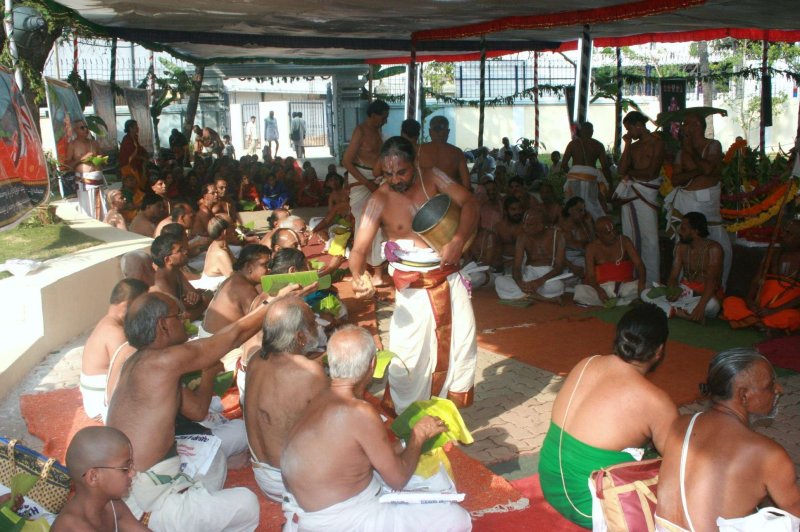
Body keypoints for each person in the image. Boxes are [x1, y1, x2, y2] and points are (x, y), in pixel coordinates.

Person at [281, 325, 472, 531]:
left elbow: (353, 456)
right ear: (372, 364)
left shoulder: (318, 397)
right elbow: (397, 479)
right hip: (344, 521)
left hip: (309, 514)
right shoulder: (359, 411)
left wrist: (407, 442)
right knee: (455, 518)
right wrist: (418, 435)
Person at [106, 292, 266, 531]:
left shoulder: (138, 361)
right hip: (146, 506)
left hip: (148, 483)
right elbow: (232, 337)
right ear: (163, 325)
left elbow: (197, 410)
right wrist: (270, 306)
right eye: (179, 316)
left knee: (217, 450)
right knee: (247, 504)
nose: (186, 321)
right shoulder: (162, 363)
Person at [349, 136, 478, 414]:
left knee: (461, 343)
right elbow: (358, 250)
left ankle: (445, 411)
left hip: (449, 276)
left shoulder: (433, 178)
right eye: (388, 173)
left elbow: (470, 203)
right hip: (413, 288)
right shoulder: (379, 199)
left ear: (415, 164)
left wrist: (457, 241)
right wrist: (358, 276)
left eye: (402, 171)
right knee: (408, 356)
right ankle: (405, 414)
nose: (395, 179)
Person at [539, 304, 678, 528]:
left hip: (550, 482)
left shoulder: (587, 362)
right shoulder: (656, 401)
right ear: (659, 350)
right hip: (590, 506)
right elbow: (677, 464)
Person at [655, 348, 800, 532]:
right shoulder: (769, 455)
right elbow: (796, 515)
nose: (779, 389)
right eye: (770, 385)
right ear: (744, 395)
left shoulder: (681, 424)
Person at [244, 297, 327, 502]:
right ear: (299, 337)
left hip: (264, 479)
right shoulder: (310, 373)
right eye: (312, 323)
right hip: (295, 485)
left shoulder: (255, 360)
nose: (317, 325)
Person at [665, 111, 732, 287]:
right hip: (688, 201)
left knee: (715, 238)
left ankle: (717, 289)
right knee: (686, 239)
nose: (683, 127)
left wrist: (691, 152)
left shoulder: (713, 145)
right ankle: (682, 287)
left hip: (709, 204)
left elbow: (709, 169)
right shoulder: (681, 153)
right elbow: (676, 180)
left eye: (686, 123)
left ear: (697, 125)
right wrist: (696, 171)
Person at [51, 427, 146, 532]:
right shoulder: (72, 527)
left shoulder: (112, 505)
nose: (132, 473)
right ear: (93, 477)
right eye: (125, 468)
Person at [80, 279, 148, 421]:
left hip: (95, 397)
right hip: (100, 405)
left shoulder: (108, 322)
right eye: (143, 304)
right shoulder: (115, 333)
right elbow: (126, 376)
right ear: (128, 304)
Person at [614, 111, 665, 286]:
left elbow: (651, 172)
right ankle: (634, 281)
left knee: (650, 239)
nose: (629, 133)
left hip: (645, 192)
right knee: (630, 236)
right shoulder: (633, 147)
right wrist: (627, 144)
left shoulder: (657, 143)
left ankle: (651, 282)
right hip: (632, 193)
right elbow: (621, 170)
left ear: (639, 125)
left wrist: (631, 174)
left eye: (629, 129)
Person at [643, 212, 723, 324]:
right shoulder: (681, 247)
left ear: (696, 231)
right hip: (683, 293)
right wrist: (673, 290)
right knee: (645, 294)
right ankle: (684, 314)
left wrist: (700, 307)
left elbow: (712, 282)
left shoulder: (714, 249)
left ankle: (673, 310)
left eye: (683, 229)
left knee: (712, 305)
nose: (679, 231)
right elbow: (673, 277)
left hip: (703, 297)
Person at [342, 99, 390, 287]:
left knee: (378, 223)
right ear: (373, 115)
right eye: (383, 117)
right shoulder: (360, 131)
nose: (385, 121)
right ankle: (359, 270)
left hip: (377, 178)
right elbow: (346, 161)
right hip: (361, 178)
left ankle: (378, 272)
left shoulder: (378, 132)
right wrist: (366, 183)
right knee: (362, 225)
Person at [722, 218, 800, 333]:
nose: (782, 235)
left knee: (793, 317)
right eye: (784, 231)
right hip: (760, 307)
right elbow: (756, 280)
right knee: (731, 302)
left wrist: (774, 311)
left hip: (782, 310)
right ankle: (761, 323)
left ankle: (753, 321)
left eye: (789, 234)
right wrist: (750, 302)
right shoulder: (773, 253)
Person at [495, 208, 568, 303]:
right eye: (524, 223)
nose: (524, 227)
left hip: (548, 276)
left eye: (529, 225)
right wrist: (520, 283)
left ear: (542, 225)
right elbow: (516, 267)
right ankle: (541, 298)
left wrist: (539, 282)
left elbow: (559, 267)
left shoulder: (558, 237)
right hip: (529, 273)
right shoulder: (522, 237)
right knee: (499, 280)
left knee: (557, 286)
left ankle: (527, 294)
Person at [574, 217, 646, 307]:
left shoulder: (624, 241)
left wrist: (642, 283)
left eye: (614, 230)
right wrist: (599, 290)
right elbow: (591, 276)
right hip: (603, 288)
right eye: (608, 233)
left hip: (624, 286)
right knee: (580, 291)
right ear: (598, 235)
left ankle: (620, 301)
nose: (613, 235)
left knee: (637, 288)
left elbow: (639, 265)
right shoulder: (591, 248)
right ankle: (622, 302)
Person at [150, 233, 213, 321]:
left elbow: (195, 296)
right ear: (168, 260)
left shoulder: (175, 271)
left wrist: (195, 298)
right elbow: (181, 319)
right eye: (180, 250)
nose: (185, 251)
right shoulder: (161, 283)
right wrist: (206, 302)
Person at [561, 122, 613, 220]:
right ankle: (596, 224)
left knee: (573, 202)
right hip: (591, 177)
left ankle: (574, 225)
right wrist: (610, 185)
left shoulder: (573, 144)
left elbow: (564, 164)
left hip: (574, 178)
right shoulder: (598, 145)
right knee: (592, 202)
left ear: (580, 132)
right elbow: (605, 167)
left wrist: (573, 174)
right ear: (592, 132)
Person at [64, 119, 107, 220]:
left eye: (86, 127)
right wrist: (81, 159)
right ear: (76, 130)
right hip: (84, 182)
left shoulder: (94, 143)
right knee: (87, 207)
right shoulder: (72, 145)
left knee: (100, 206)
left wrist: (99, 160)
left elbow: (103, 159)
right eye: (82, 128)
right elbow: (68, 165)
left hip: (97, 179)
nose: (86, 129)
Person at [417, 116, 470, 191]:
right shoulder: (456, 152)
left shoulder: (419, 150)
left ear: (430, 131)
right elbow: (467, 185)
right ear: (448, 132)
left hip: (424, 197)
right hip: (449, 198)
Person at [559, 196, 594, 279]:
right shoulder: (561, 228)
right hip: (568, 263)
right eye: (580, 210)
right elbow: (556, 255)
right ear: (570, 210)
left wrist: (590, 225)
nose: (583, 213)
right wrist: (572, 267)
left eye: (584, 210)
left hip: (583, 259)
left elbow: (594, 243)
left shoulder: (584, 224)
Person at [195, 216, 234, 291]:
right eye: (232, 227)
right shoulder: (220, 253)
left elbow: (235, 263)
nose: (234, 230)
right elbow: (232, 278)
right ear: (225, 232)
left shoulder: (219, 244)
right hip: (211, 289)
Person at [118, 120, 149, 192]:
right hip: (129, 166)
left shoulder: (135, 137)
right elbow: (129, 156)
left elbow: (139, 148)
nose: (138, 128)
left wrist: (145, 154)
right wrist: (142, 158)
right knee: (132, 184)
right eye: (136, 126)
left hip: (137, 164)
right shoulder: (126, 139)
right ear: (130, 128)